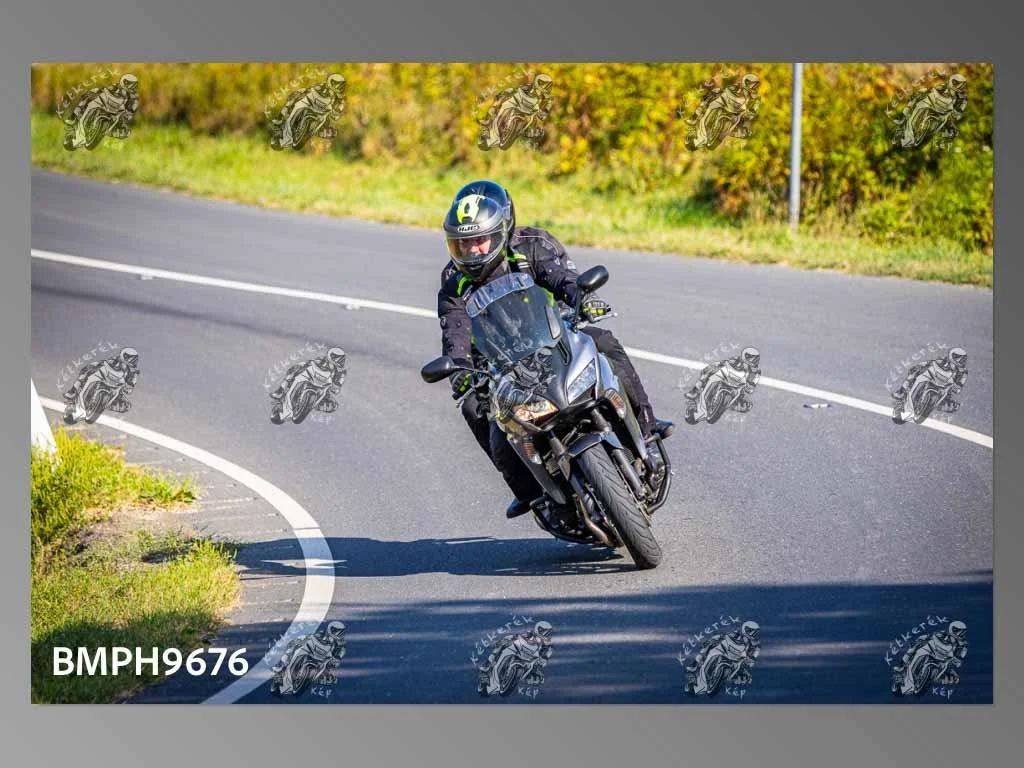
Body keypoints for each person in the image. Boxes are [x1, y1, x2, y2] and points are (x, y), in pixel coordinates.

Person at [436, 179, 672, 520]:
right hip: (502, 363)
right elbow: (455, 330)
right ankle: (533, 495)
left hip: (554, 336)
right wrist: (459, 367)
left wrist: (584, 300)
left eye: (479, 240)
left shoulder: (532, 246)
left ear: (501, 231)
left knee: (603, 340)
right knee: (474, 408)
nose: (472, 251)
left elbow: (563, 279)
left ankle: (646, 427)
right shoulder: (452, 282)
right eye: (463, 243)